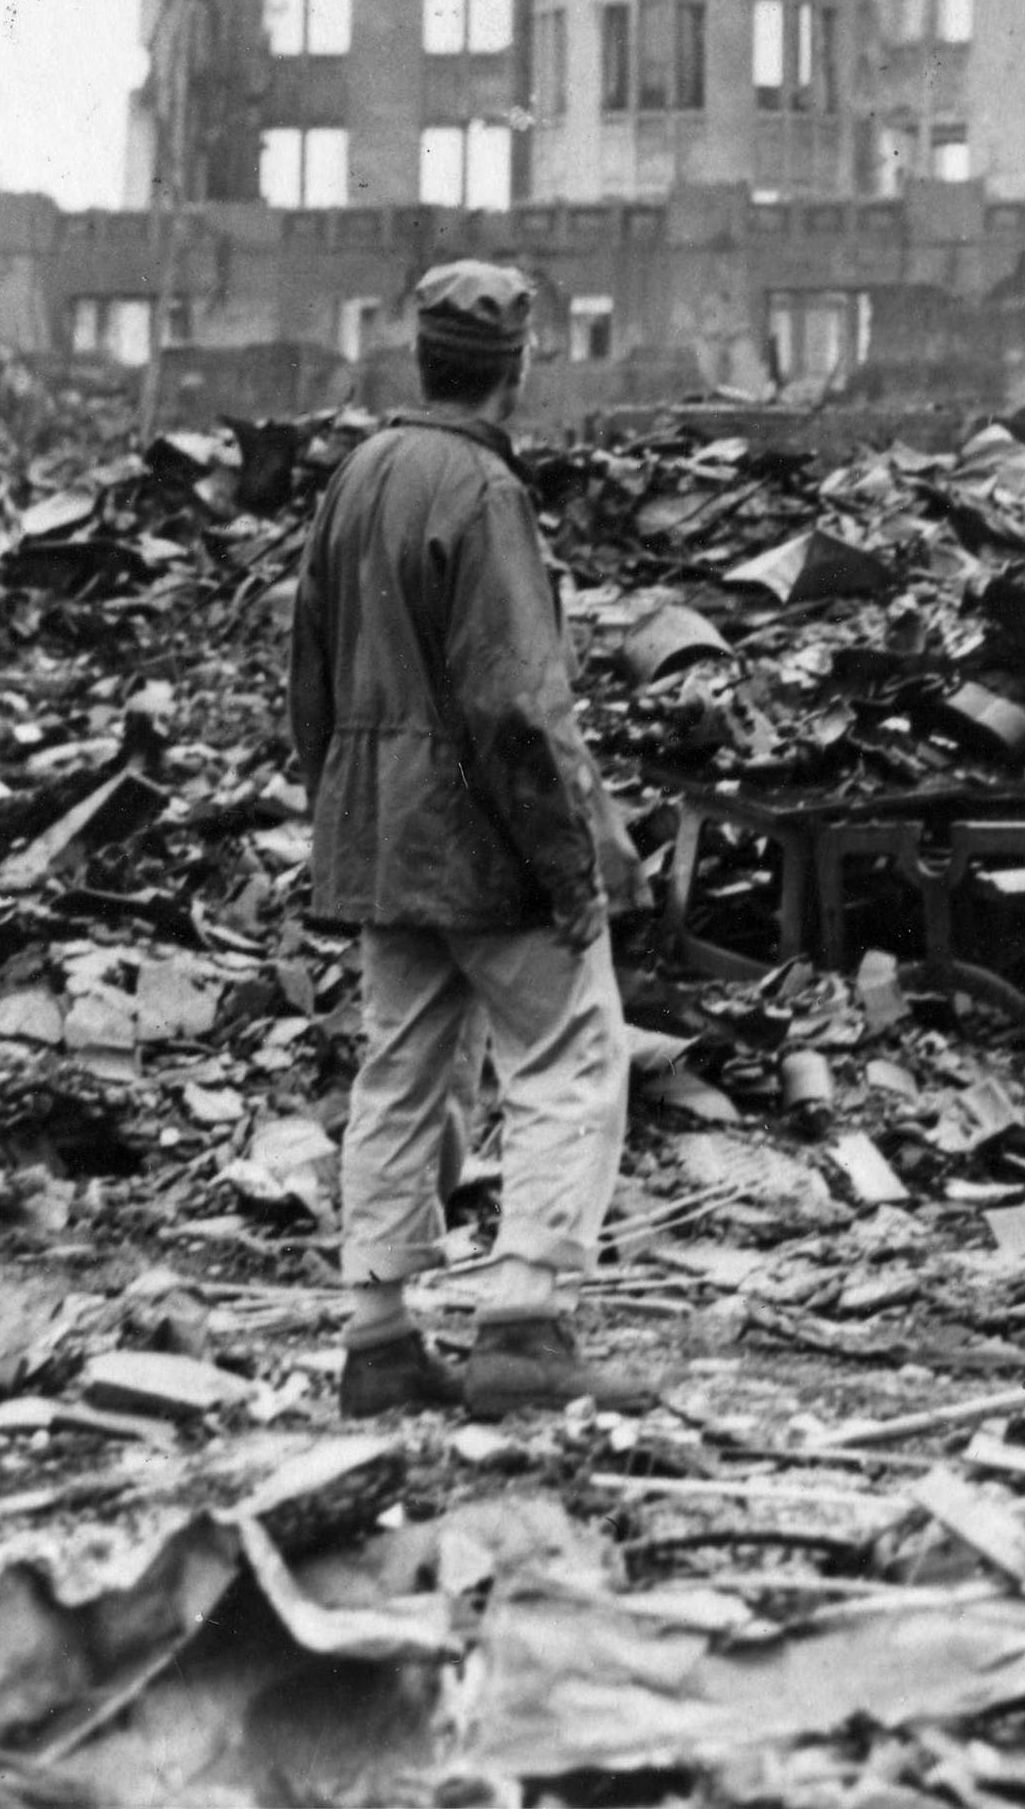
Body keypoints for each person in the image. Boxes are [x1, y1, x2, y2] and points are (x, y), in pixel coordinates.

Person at [287, 260, 653, 1417]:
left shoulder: (357, 475)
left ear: (425, 356)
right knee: (567, 1053)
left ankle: (379, 1334)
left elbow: (308, 672)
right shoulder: (483, 493)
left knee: (400, 1066)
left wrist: (347, 810)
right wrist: (571, 866)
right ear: (520, 365)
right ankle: (524, 1321)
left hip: (382, 839)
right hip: (483, 841)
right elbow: (513, 703)